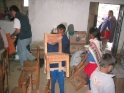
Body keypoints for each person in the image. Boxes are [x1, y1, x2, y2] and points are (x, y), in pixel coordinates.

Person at [9, 5, 36, 70]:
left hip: (23, 38)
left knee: (21, 52)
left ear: (13, 11)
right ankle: (33, 59)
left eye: (10, 12)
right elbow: (29, 26)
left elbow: (18, 31)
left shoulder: (16, 18)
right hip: (29, 37)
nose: (11, 14)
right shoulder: (25, 16)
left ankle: (24, 67)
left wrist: (12, 35)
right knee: (22, 49)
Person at [47, 24, 69, 93]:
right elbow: (50, 53)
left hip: (59, 65)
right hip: (53, 65)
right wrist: (50, 44)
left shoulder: (63, 41)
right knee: (53, 83)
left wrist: (61, 37)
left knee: (60, 83)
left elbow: (66, 41)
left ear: (59, 30)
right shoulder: (56, 43)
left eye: (59, 31)